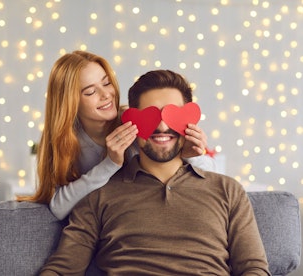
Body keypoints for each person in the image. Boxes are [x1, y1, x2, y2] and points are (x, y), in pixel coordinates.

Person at [39, 69, 270, 275]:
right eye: (151, 115)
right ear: (130, 122)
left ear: (189, 121)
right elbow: (62, 269)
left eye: (172, 115)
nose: (161, 126)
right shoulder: (98, 195)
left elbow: (254, 268)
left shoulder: (227, 190)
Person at [19, 51, 216, 221]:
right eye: (90, 92)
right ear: (70, 103)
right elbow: (59, 207)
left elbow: (217, 184)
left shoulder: (136, 122)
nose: (106, 95)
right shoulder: (63, 139)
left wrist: (194, 156)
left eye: (107, 83)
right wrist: (110, 164)